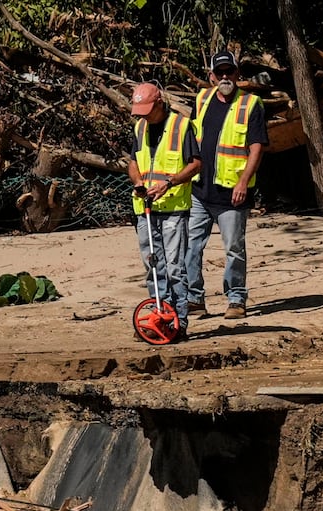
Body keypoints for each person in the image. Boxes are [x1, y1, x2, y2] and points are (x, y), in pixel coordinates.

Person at [186, 52, 269, 320]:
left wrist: (243, 182)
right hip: (200, 190)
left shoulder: (251, 104)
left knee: (234, 247)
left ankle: (236, 299)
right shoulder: (201, 99)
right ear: (211, 76)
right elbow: (192, 138)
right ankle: (194, 299)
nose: (225, 77)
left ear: (237, 74)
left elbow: (257, 147)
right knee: (191, 246)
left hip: (232, 193)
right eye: (219, 73)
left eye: (229, 72)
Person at [125, 81, 200, 343]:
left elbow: (196, 164)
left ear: (159, 103)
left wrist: (169, 183)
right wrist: (138, 183)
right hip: (145, 208)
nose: (143, 116)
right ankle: (158, 315)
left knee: (175, 268)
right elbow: (133, 163)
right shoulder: (139, 127)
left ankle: (178, 323)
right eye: (139, 112)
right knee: (152, 267)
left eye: (147, 110)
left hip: (173, 209)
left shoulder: (181, 126)